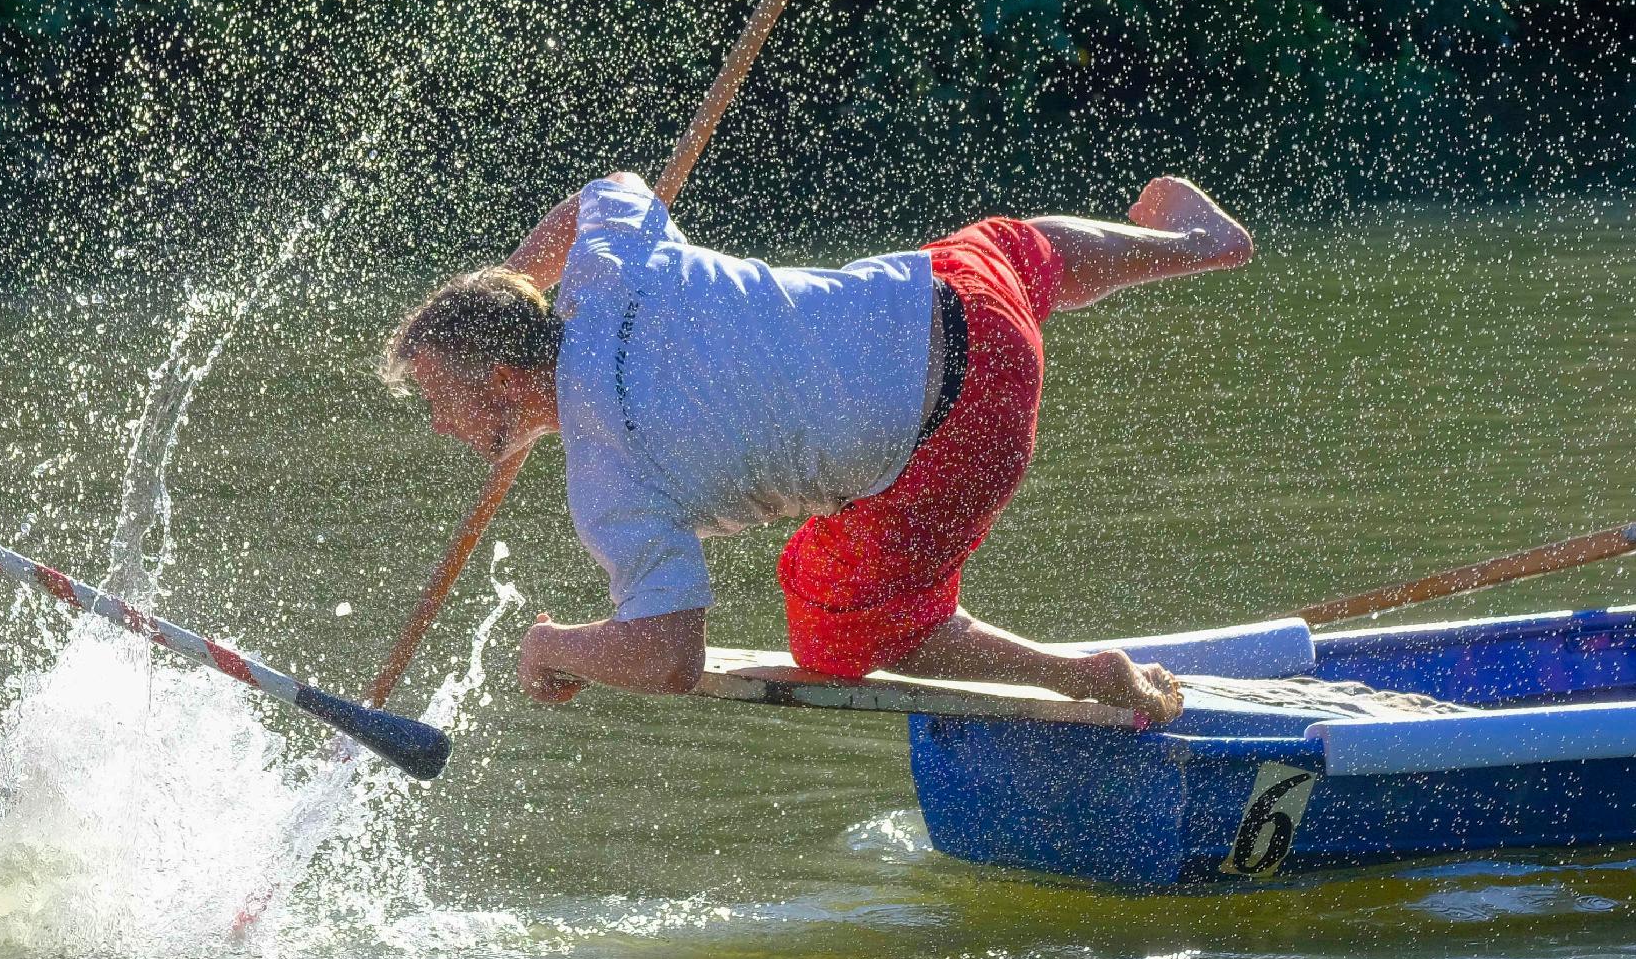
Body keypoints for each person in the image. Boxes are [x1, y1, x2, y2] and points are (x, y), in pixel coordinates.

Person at [383, 173, 1257, 726]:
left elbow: (667, 656)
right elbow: (603, 191)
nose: (437, 425)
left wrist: (552, 645)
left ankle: (1086, 675)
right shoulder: (611, 264)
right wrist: (506, 289)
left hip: (965, 439)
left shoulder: (608, 482)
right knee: (1010, 247)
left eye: (437, 398)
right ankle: (1198, 245)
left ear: (505, 380)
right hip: (968, 307)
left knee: (833, 629)